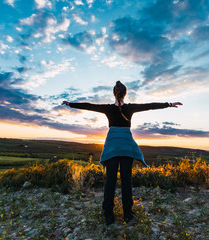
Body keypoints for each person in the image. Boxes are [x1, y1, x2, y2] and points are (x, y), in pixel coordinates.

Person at [62, 81, 182, 225]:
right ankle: (127, 215)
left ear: (114, 93)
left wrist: (70, 104)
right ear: (125, 94)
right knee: (126, 181)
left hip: (112, 146)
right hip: (126, 147)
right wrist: (169, 104)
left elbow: (89, 106)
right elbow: (149, 106)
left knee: (110, 181)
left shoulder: (108, 109)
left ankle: (108, 216)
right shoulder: (130, 108)